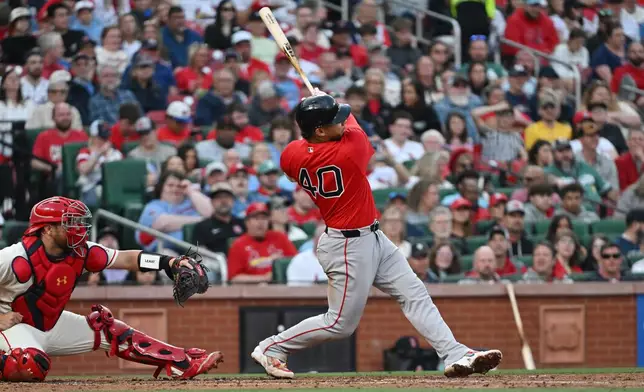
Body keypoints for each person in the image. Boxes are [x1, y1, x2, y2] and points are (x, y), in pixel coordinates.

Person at [252, 90, 502, 379]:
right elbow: (355, 129)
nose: (343, 123)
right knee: (340, 324)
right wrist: (324, 96)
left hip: (372, 236)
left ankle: (454, 353)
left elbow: (305, 145)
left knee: (415, 293)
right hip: (347, 245)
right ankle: (272, 347)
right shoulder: (350, 149)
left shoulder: (290, 155)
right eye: (335, 121)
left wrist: (319, 107)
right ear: (320, 131)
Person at [0, 196, 222, 381]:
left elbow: (127, 259)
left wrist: (169, 262)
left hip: (49, 324)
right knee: (30, 365)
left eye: (78, 222)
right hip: (12, 329)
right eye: (69, 223)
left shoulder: (81, 251)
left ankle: (181, 363)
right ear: (47, 229)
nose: (78, 228)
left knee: (110, 329)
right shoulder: (14, 257)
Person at [227, 202, 297, 283]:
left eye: (264, 218)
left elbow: (296, 262)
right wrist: (264, 278)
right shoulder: (238, 245)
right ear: (247, 222)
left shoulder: (280, 237)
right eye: (256, 218)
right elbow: (234, 278)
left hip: (283, 286)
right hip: (253, 289)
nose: (261, 222)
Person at [193, 182, 245, 255]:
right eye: (218, 197)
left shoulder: (243, 223)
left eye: (227, 197)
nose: (223, 201)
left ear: (233, 200)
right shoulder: (202, 227)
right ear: (212, 202)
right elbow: (198, 255)